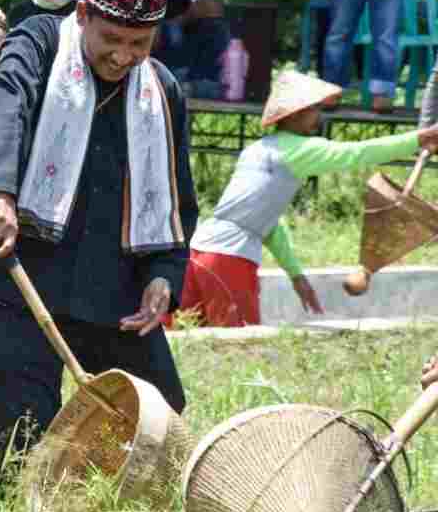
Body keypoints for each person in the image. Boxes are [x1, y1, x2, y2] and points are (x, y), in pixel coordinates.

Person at [0, 0, 198, 487]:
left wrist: (164, 271)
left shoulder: (160, 89)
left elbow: (179, 195)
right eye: (111, 38)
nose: (123, 56)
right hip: (25, 274)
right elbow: (9, 103)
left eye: (140, 43)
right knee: (20, 433)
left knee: (160, 412)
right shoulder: (40, 42)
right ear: (84, 13)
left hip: (116, 289)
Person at [178, 71, 438, 327]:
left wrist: (296, 275)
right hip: (228, 259)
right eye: (314, 108)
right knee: (237, 346)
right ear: (296, 114)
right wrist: (419, 138)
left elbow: (265, 225)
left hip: (198, 252)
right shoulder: (301, 149)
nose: (319, 115)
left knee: (191, 339)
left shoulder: (257, 149)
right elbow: (357, 153)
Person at [150, 0, 231, 98]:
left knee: (213, 26)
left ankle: (204, 79)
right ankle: (180, 77)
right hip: (156, 43)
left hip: (180, 40)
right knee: (174, 33)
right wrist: (187, 17)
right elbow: (155, 29)